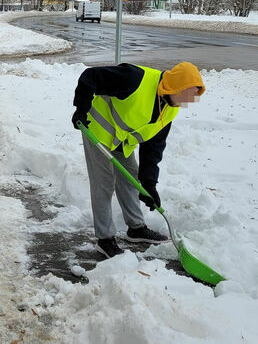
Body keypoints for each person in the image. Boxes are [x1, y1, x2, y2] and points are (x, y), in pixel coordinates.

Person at [71, 62, 205, 258]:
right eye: (188, 94)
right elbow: (90, 76)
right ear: (175, 86)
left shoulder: (170, 108)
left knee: (131, 178)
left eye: (194, 95)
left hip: (120, 139)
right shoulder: (134, 78)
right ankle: (105, 239)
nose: (190, 101)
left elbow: (153, 148)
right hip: (96, 127)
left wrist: (149, 184)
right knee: (104, 182)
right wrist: (81, 109)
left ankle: (136, 228)